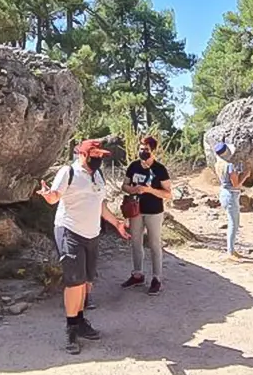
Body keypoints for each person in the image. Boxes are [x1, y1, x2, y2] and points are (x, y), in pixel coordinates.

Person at [37, 139, 131, 354]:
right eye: (94, 154)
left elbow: (100, 204)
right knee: (75, 282)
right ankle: (71, 329)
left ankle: (79, 321)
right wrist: (47, 195)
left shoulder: (97, 175)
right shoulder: (68, 172)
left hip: (92, 234)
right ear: (82, 154)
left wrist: (116, 223)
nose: (98, 158)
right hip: (69, 231)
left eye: (100, 155)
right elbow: (54, 197)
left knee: (87, 283)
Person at [121, 136, 172, 295]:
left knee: (154, 244)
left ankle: (157, 278)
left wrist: (149, 190)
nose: (143, 152)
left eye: (146, 149)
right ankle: (138, 274)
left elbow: (167, 193)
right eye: (141, 149)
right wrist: (133, 190)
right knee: (136, 242)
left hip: (154, 211)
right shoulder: (133, 166)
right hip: (135, 210)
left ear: (153, 151)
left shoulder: (160, 169)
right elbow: (124, 185)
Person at [214, 141, 246, 259]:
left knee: (232, 222)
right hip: (231, 195)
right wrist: (245, 176)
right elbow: (236, 184)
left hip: (224, 193)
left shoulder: (218, 164)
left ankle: (231, 249)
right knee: (234, 224)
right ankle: (231, 251)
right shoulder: (229, 165)